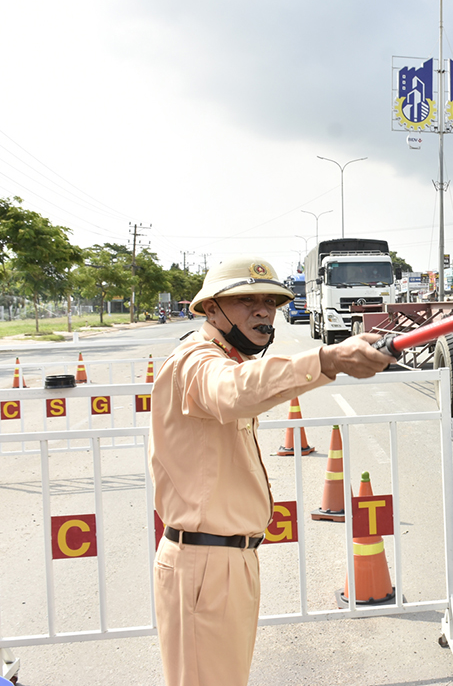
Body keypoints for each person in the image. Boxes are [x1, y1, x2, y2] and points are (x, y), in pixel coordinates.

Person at [149, 256, 394, 686]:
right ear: (210, 309)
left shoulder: (227, 358)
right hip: (205, 563)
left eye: (271, 302)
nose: (263, 310)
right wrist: (327, 359)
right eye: (246, 300)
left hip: (228, 561)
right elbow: (233, 392)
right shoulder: (196, 360)